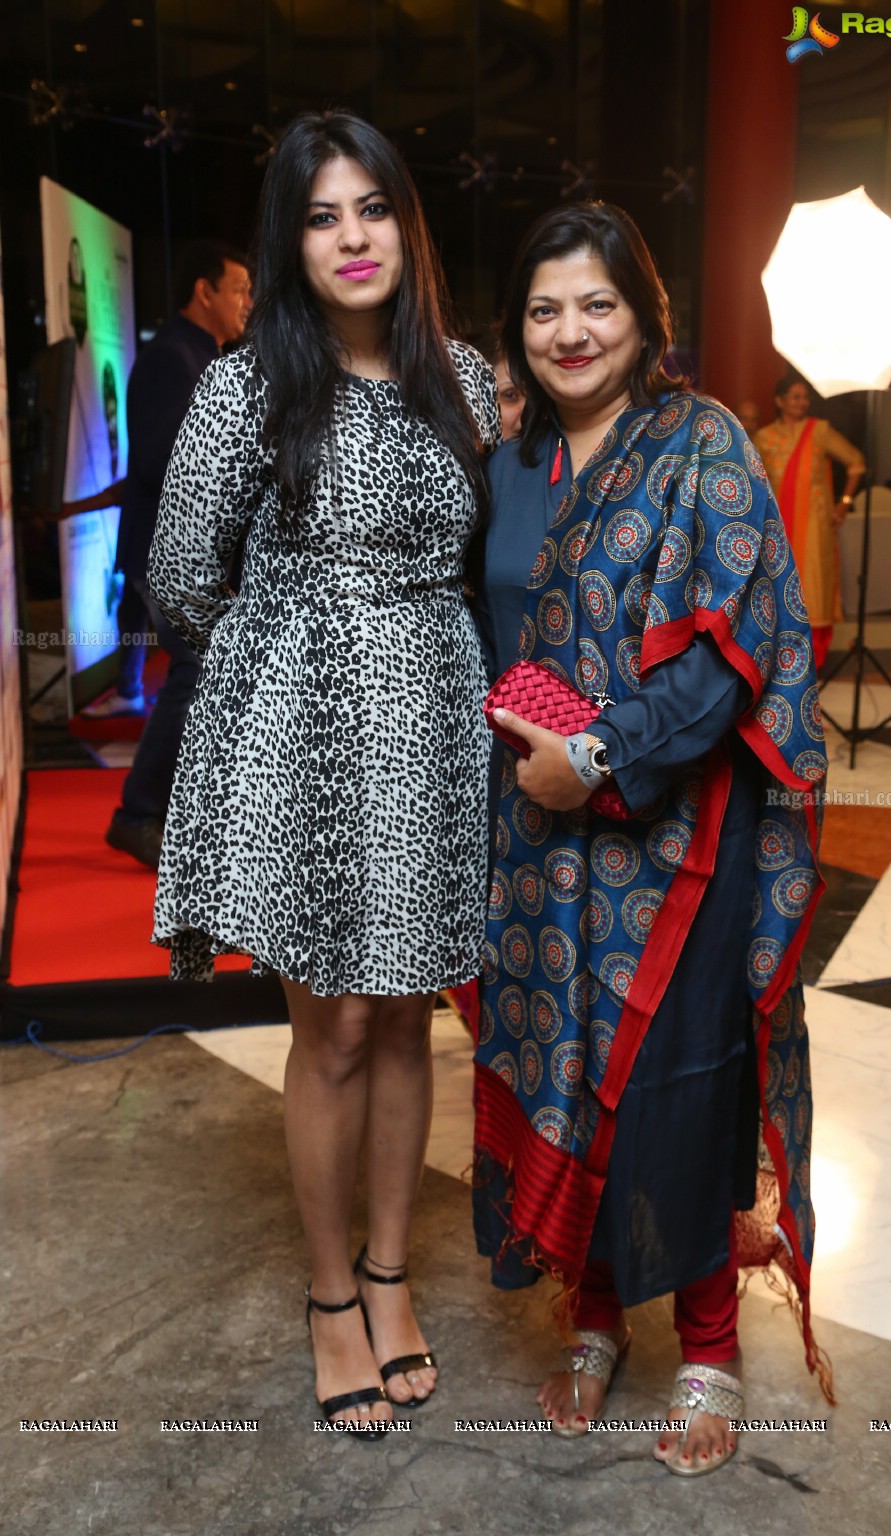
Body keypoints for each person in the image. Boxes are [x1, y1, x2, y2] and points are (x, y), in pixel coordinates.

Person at [147, 109, 499, 1432]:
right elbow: (180, 579)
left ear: (405, 224)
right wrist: (285, 652)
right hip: (301, 727)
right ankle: (327, 1297)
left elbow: (492, 552)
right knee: (335, 1027)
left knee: (411, 1011)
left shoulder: (463, 377)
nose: (353, 238)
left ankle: (392, 1274)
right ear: (288, 244)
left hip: (437, 719)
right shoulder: (248, 385)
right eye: (320, 215)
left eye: (372, 209)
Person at [472, 202, 831, 1479]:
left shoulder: (702, 446)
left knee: (679, 1085)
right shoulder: (507, 464)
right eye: (544, 309)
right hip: (536, 835)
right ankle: (586, 1309)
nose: (571, 332)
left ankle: (708, 1337)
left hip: (675, 840)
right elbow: (488, 636)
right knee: (566, 1055)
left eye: (597, 304)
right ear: (517, 330)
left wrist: (604, 757)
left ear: (644, 316)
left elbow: (736, 658)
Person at [97, 240, 252, 870]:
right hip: (173, 553)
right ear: (203, 290)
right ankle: (138, 813)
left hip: (191, 554)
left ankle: (169, 813)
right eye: (238, 289)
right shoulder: (172, 357)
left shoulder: (203, 356)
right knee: (193, 672)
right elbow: (167, 460)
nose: (246, 301)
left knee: (205, 674)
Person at [754, 371, 865, 673]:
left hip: (815, 527)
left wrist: (843, 503)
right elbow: (754, 481)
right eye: (796, 397)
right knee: (779, 589)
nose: (803, 402)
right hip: (778, 527)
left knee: (813, 589)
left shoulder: (819, 431)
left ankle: (813, 662)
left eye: (805, 397)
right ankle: (779, 663)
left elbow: (856, 461)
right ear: (779, 401)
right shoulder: (764, 437)